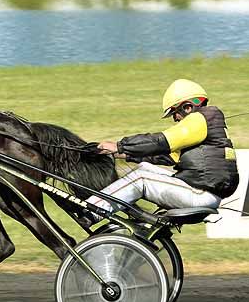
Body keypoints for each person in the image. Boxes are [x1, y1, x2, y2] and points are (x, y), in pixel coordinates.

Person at [80, 78, 239, 227]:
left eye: (174, 112)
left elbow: (160, 142)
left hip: (200, 194)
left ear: (188, 107)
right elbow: (166, 156)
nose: (175, 118)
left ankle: (90, 211)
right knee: (144, 168)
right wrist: (121, 154)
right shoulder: (205, 125)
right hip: (202, 192)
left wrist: (119, 146)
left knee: (140, 179)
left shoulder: (199, 119)